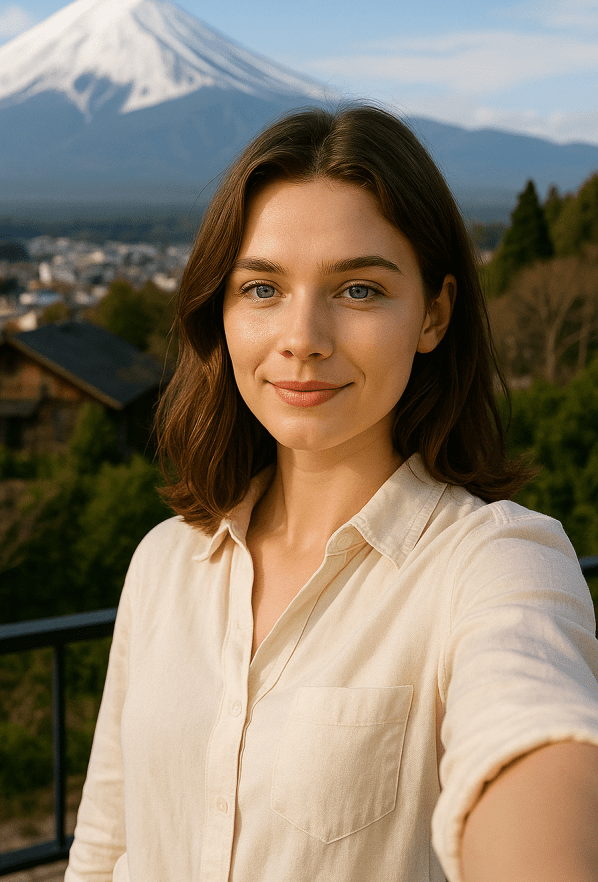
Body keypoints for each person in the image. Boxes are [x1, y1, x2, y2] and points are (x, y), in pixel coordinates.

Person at [65, 105, 598, 882]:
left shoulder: (493, 563)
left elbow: (527, 723)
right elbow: (107, 850)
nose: (302, 336)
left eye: (357, 290)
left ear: (433, 314)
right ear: (220, 308)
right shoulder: (164, 564)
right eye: (261, 289)